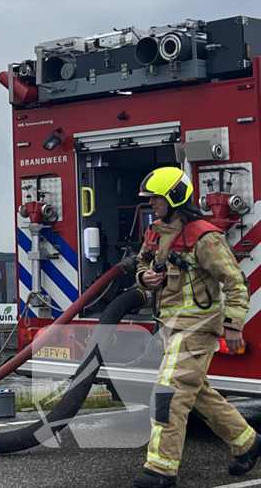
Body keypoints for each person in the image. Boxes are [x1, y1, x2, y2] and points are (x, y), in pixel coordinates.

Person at [133, 167, 260, 488]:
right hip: (169, 327)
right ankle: (248, 442)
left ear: (174, 197)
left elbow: (236, 282)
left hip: (198, 329)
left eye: (156, 198)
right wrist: (145, 277)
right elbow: (142, 262)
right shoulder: (156, 232)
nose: (152, 204)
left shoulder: (205, 237)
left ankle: (160, 470)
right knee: (198, 392)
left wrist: (233, 326)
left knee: (169, 394)